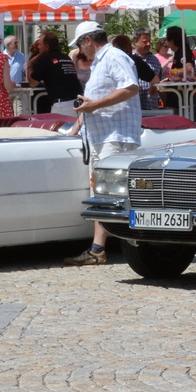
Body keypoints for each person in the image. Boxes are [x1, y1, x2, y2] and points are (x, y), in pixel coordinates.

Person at [67, 22, 141, 264]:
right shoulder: (101, 61)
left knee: (117, 194)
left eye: (79, 44)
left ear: (88, 40)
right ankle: (97, 249)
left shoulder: (114, 57)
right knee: (102, 194)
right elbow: (92, 102)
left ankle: (137, 246)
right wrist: (76, 127)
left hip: (116, 136)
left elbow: (130, 88)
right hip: (103, 136)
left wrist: (95, 106)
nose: (79, 51)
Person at [27, 30, 81, 116]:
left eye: (40, 44)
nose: (38, 47)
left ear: (47, 47)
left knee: (59, 129)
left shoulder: (45, 59)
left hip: (62, 105)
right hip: (78, 102)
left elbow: (33, 83)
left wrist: (29, 66)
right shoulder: (66, 57)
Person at [131, 30, 163, 110]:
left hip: (152, 108)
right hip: (135, 108)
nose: (148, 44)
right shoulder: (129, 59)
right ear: (136, 42)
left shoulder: (155, 60)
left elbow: (161, 80)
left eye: (149, 41)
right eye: (145, 42)